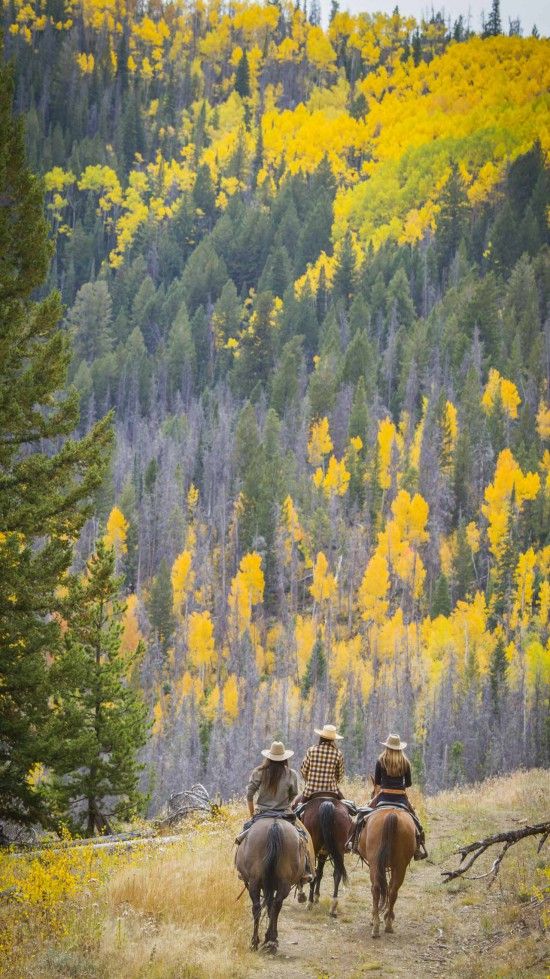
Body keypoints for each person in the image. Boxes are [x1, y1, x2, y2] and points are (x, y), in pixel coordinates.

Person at [236, 740, 314, 882]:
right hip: (284, 813)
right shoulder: (291, 774)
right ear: (285, 758)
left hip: (262, 814)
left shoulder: (258, 772)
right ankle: (306, 870)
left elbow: (249, 795)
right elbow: (294, 794)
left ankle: (241, 869)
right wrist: (284, 803)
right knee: (303, 837)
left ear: (269, 757)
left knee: (242, 836)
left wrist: (252, 813)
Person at [348, 733, 427, 859]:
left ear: (387, 746)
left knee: (360, 817)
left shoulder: (381, 760)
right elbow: (409, 783)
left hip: (383, 797)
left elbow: (378, 782)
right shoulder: (405, 762)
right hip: (401, 798)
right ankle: (418, 848)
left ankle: (354, 843)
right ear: (399, 747)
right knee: (417, 822)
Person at [295, 723, 345, 804]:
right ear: (333, 739)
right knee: (348, 809)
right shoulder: (338, 753)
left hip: (310, 790)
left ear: (321, 737)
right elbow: (340, 775)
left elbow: (304, 770)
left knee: (297, 808)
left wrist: (309, 779)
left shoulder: (311, 750)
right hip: (332, 790)